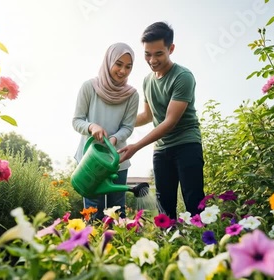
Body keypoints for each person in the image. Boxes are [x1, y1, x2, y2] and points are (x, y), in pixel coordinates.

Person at [118, 22, 205, 220]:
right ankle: (169, 245)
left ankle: (205, 247)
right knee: (164, 206)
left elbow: (170, 122)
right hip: (161, 149)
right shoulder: (147, 80)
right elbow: (147, 116)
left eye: (158, 53)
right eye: (147, 54)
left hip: (187, 144)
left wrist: (136, 146)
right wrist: (121, 122)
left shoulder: (183, 77)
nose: (152, 60)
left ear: (171, 49)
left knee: (194, 202)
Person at [72, 42, 139, 220]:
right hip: (90, 161)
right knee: (94, 213)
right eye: (118, 64)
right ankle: (95, 247)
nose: (123, 71)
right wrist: (91, 126)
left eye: (128, 66)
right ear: (108, 61)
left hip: (117, 160)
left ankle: (119, 248)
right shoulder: (89, 87)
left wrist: (115, 139)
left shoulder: (132, 95)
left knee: (117, 214)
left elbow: (128, 126)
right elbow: (76, 120)